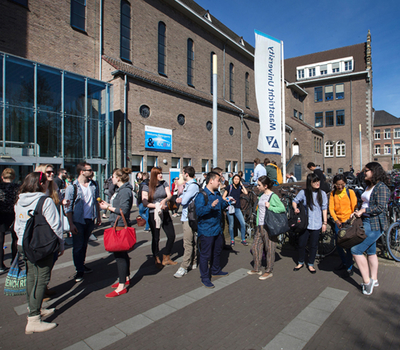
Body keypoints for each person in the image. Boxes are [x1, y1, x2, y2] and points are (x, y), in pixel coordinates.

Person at [14, 172, 64, 334]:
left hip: (22, 243)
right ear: (41, 184)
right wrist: (61, 244)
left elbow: (16, 225)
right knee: (42, 279)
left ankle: (34, 307)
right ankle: (34, 318)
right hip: (41, 246)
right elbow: (56, 226)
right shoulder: (45, 201)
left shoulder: (19, 200)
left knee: (31, 277)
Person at [351, 162, 390, 295]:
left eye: (366, 170)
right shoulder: (369, 186)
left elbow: (380, 207)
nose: (364, 172)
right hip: (367, 220)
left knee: (356, 250)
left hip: (375, 224)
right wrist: (358, 210)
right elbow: (365, 202)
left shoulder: (382, 187)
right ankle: (374, 279)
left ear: (374, 171)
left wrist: (363, 210)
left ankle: (367, 283)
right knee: (371, 251)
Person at [99, 168, 133, 298]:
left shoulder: (124, 190)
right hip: (116, 224)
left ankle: (121, 285)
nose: (111, 179)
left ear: (118, 178)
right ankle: (126, 277)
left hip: (119, 226)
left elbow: (123, 210)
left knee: (119, 256)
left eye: (113, 176)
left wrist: (107, 207)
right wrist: (108, 205)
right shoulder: (121, 190)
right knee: (122, 254)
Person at [64, 162, 101, 282]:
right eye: (89, 170)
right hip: (78, 221)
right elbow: (68, 208)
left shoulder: (93, 185)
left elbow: (96, 201)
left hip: (90, 219)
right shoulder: (72, 187)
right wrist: (71, 224)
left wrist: (98, 217)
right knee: (78, 246)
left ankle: (82, 264)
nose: (92, 172)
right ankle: (79, 270)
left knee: (84, 244)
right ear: (82, 172)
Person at [195, 171, 229, 288]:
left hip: (217, 229)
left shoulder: (217, 194)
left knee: (217, 250)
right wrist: (210, 206)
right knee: (205, 255)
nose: (220, 183)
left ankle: (215, 270)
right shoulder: (202, 195)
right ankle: (205, 277)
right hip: (206, 230)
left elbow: (221, 206)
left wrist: (227, 203)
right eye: (218, 180)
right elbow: (199, 211)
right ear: (211, 181)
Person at [248, 176, 285, 280]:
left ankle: (269, 271)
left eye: (259, 185)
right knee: (255, 247)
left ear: (265, 186)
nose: (257, 186)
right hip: (259, 226)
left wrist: (271, 207)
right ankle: (257, 268)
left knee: (270, 249)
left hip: (269, 226)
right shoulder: (260, 195)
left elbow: (282, 208)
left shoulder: (273, 196)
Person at [292, 173, 328, 274]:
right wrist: (295, 208)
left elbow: (324, 209)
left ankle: (311, 264)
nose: (317, 183)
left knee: (313, 245)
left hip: (316, 224)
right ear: (310, 182)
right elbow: (295, 201)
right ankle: (300, 262)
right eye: (314, 181)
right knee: (301, 244)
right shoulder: (303, 193)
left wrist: (324, 223)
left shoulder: (322, 194)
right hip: (305, 223)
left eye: (318, 181)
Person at [142, 167, 177, 267]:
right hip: (154, 213)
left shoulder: (164, 183)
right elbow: (145, 202)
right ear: (154, 175)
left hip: (165, 212)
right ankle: (156, 257)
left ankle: (166, 256)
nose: (161, 175)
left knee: (171, 235)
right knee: (156, 237)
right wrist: (157, 205)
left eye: (161, 173)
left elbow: (169, 195)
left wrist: (165, 200)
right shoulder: (146, 186)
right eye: (158, 174)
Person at [329, 174, 358, 276]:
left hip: (348, 222)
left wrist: (351, 218)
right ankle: (344, 262)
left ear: (345, 183)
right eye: (338, 185)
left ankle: (349, 266)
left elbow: (354, 207)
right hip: (338, 223)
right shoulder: (333, 194)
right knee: (339, 244)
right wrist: (336, 220)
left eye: (342, 184)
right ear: (334, 184)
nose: (340, 187)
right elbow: (331, 208)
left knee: (348, 245)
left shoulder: (350, 193)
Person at [173, 166, 199, 278]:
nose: (181, 175)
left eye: (182, 173)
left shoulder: (192, 186)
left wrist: (181, 199)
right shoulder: (188, 185)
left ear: (186, 174)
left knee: (187, 242)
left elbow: (183, 201)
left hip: (189, 217)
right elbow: (183, 198)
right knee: (192, 240)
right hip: (188, 216)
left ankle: (184, 266)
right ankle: (193, 261)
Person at [0, 168, 19, 272]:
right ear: (14, 177)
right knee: (15, 239)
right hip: (14, 214)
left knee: (0, 240)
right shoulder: (17, 187)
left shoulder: (0, 187)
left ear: (2, 177)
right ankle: (14, 261)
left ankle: (0, 265)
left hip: (1, 215)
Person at [222, 174, 248, 246]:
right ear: (233, 179)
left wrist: (242, 184)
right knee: (231, 225)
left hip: (237, 208)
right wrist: (229, 199)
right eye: (235, 179)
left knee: (242, 223)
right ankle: (232, 240)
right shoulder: (229, 187)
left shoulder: (239, 187)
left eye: (238, 179)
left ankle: (243, 239)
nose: (236, 180)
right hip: (230, 207)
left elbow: (246, 192)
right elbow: (223, 197)